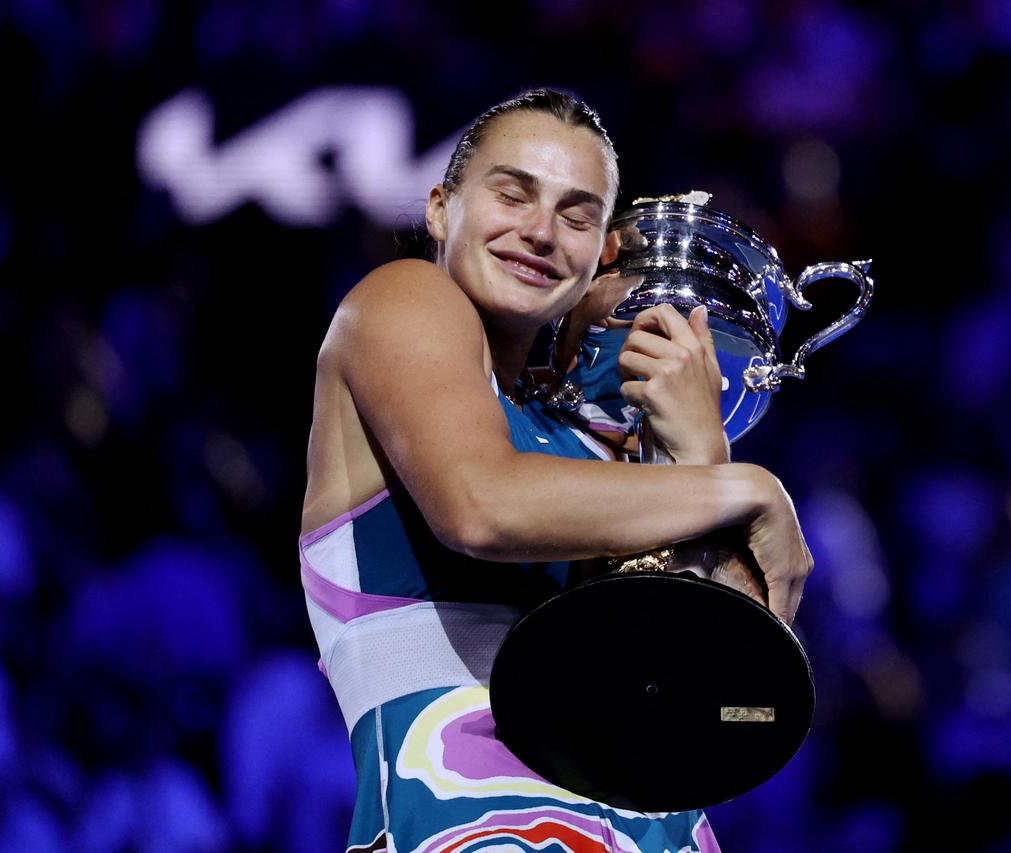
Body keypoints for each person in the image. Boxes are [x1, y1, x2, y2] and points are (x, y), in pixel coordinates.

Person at [299, 88, 812, 853]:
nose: (540, 232)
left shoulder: (597, 451)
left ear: (605, 249)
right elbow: (480, 505)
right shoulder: (402, 299)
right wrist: (748, 490)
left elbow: (712, 695)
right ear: (441, 209)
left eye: (577, 215)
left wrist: (703, 451)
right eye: (512, 194)